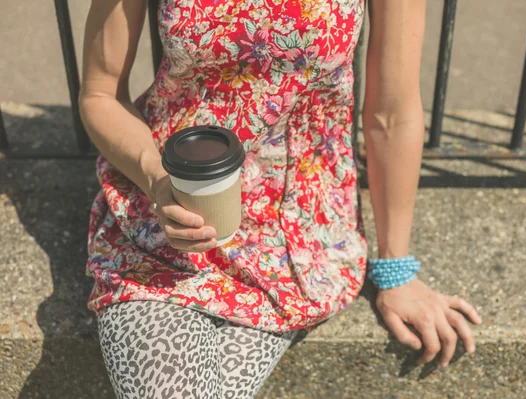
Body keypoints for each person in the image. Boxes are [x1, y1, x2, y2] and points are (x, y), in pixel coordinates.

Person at [79, 0, 482, 397]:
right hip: (168, 219)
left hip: (293, 245)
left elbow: (391, 114)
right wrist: (156, 178)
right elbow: (101, 94)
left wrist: (395, 270)